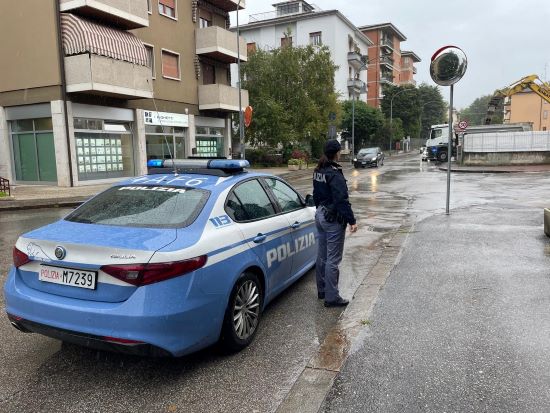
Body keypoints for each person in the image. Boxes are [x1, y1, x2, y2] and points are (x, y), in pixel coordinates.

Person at [313, 140, 358, 307]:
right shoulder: (334, 173)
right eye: (339, 151)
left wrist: (320, 211)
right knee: (333, 259)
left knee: (322, 255)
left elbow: (316, 194)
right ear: (337, 153)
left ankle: (322, 290)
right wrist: (351, 220)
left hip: (320, 215)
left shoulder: (318, 170)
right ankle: (331, 298)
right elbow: (341, 201)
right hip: (332, 219)